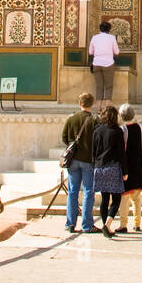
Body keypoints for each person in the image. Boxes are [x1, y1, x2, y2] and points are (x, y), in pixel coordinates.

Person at [60, 92, 97, 233]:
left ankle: (70, 223)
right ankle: (87, 224)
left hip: (73, 160)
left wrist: (73, 146)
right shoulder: (94, 120)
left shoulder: (72, 119)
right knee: (88, 191)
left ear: (79, 103)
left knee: (72, 191)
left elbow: (64, 137)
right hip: (88, 160)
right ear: (91, 104)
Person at [91, 104, 128, 237]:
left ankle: (104, 224)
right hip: (113, 167)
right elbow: (121, 153)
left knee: (104, 198)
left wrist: (93, 167)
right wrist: (125, 171)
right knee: (116, 198)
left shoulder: (97, 130)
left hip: (99, 167)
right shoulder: (117, 131)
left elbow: (93, 151)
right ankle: (108, 224)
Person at [118, 103, 142, 232]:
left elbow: (121, 150)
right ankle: (137, 223)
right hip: (138, 166)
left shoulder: (122, 130)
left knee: (124, 198)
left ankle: (123, 224)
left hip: (127, 168)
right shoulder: (140, 128)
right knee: (136, 198)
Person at [87, 21, 119, 107]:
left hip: (96, 64)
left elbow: (90, 52)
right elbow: (117, 52)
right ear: (109, 29)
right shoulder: (112, 38)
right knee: (108, 86)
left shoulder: (94, 37)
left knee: (99, 86)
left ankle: (99, 109)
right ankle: (107, 108)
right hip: (108, 64)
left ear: (100, 29)